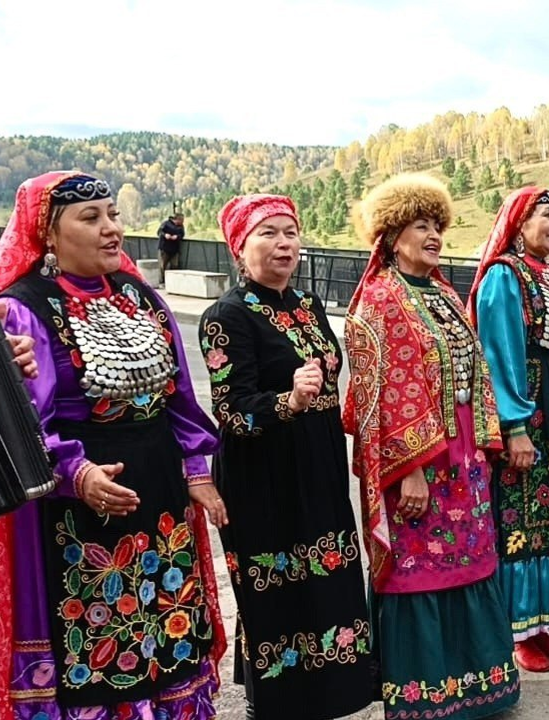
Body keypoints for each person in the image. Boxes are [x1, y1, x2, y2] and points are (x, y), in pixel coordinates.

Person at [0, 171, 227, 720]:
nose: (111, 229)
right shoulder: (25, 309)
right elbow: (25, 425)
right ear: (48, 233)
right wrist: (78, 474)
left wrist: (197, 471)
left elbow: (179, 400)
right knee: (101, 635)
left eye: (113, 214)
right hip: (82, 507)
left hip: (159, 494)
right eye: (90, 218)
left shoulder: (141, 296)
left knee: (170, 624)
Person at [343, 174, 520, 718]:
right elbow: (384, 392)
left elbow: (476, 366)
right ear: (393, 238)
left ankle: (479, 683)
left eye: (437, 226)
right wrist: (408, 471)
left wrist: (490, 437)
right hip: (419, 462)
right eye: (421, 226)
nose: (434, 236)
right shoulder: (380, 299)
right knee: (420, 561)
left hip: (462, 454)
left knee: (469, 557)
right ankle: (424, 691)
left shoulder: (442, 292)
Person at [200, 194, 374, 719]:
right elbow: (231, 409)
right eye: (268, 233)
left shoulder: (307, 305)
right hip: (263, 472)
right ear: (240, 247)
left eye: (290, 233)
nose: (283, 244)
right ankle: (273, 702)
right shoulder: (225, 316)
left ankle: (327, 697)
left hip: (315, 463)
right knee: (275, 590)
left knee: (327, 579)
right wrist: (289, 400)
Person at [468, 186, 549, 672]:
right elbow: (499, 356)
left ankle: (543, 623)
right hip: (531, 421)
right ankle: (517, 631)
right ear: (518, 224)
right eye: (545, 215)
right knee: (522, 524)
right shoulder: (505, 278)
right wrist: (514, 426)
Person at [158, 212, 185, 284]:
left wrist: (177, 237)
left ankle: (173, 281)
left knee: (174, 265)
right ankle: (162, 281)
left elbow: (182, 234)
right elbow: (159, 232)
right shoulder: (166, 223)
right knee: (163, 265)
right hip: (164, 248)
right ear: (177, 219)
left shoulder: (181, 226)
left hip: (175, 249)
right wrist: (165, 235)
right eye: (181, 220)